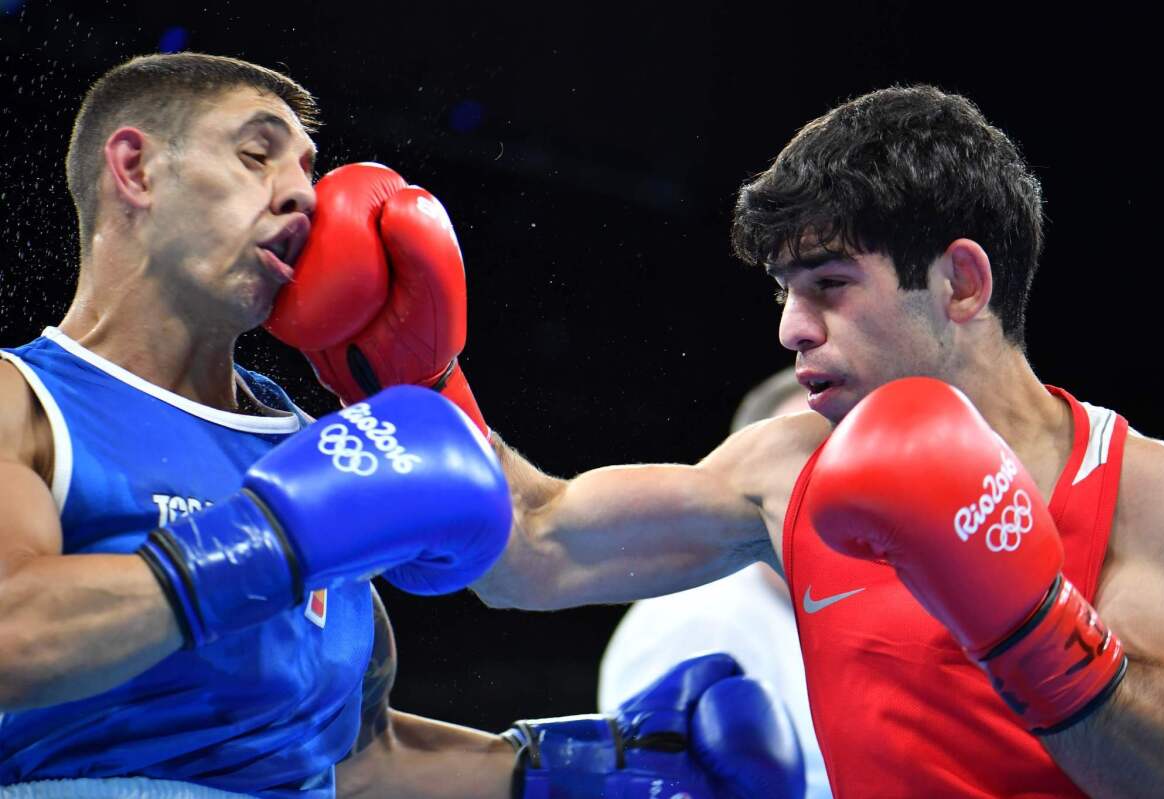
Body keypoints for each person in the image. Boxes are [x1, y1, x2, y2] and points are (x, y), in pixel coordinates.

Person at [0, 52, 806, 798]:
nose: (301, 195)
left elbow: (356, 755)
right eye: (256, 154)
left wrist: (577, 765)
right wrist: (269, 539)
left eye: (307, 170)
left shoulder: (321, 449)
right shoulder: (25, 400)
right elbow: (13, 635)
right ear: (135, 168)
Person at [429, 86, 1164, 796]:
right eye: (784, 290)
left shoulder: (1139, 487)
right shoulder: (787, 469)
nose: (791, 327)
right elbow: (531, 548)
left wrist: (1034, 630)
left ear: (961, 282)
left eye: (829, 283)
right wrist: (415, 367)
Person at [598, 368, 832, 799]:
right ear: (756, 491)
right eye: (805, 468)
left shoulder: (891, 603)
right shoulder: (695, 621)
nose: (830, 486)